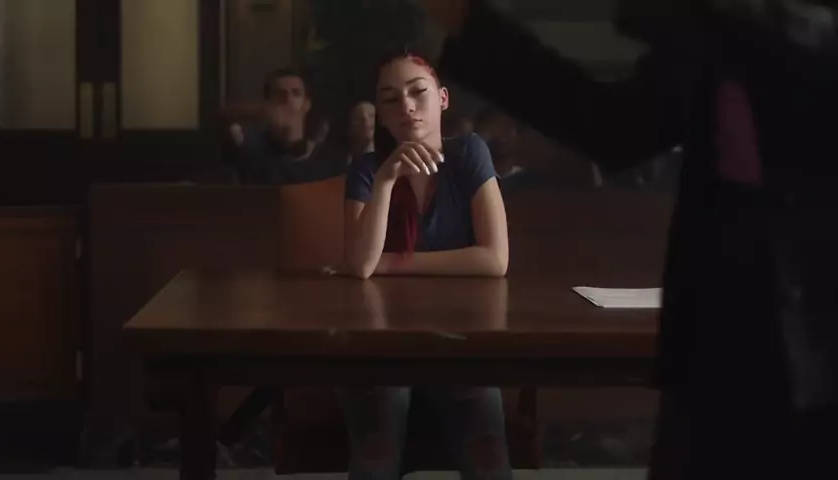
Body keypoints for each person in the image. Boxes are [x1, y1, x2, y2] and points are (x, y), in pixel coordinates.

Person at [418, 0, 838, 478]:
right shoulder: (714, 32)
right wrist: (466, 21)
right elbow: (616, 127)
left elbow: (804, 56)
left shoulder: (749, 26)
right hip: (718, 323)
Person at [340, 49, 511, 480]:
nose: (407, 106)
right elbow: (360, 264)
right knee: (375, 453)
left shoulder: (469, 153)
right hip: (379, 340)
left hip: (460, 335)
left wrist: (392, 264)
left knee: (488, 454)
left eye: (418, 92)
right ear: (380, 113)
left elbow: (495, 259)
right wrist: (385, 181)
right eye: (390, 99)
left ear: (443, 99)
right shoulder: (366, 169)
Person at [227, 68, 346, 185]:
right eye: (279, 94)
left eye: (296, 93)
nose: (288, 100)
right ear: (268, 104)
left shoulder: (331, 162)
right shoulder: (251, 156)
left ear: (307, 104)